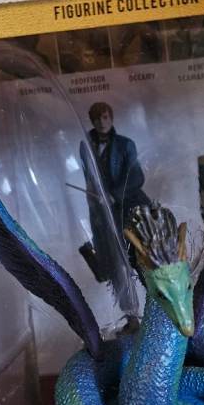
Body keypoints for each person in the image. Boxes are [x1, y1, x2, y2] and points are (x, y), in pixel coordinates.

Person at [79, 102, 150, 313]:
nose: (102, 122)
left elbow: (137, 177)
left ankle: (157, 311)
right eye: (97, 119)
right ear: (92, 121)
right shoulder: (85, 145)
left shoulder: (125, 144)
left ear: (111, 118)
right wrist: (95, 198)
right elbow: (89, 178)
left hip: (128, 211)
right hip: (102, 215)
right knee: (115, 267)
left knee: (140, 261)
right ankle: (131, 317)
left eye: (105, 117)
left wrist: (114, 195)